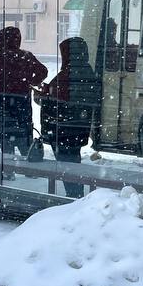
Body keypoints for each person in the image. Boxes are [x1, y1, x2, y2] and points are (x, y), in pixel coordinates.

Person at [38, 37, 101, 198]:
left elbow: (56, 98)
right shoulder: (88, 71)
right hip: (78, 128)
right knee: (74, 161)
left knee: (67, 164)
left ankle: (74, 195)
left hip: (62, 129)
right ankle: (76, 193)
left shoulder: (67, 74)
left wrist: (43, 94)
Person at [0, 26, 48, 157]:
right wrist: (31, 81)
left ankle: (7, 170)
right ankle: (29, 166)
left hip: (0, 103)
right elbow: (43, 71)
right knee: (24, 133)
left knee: (5, 137)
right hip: (22, 102)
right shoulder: (26, 56)